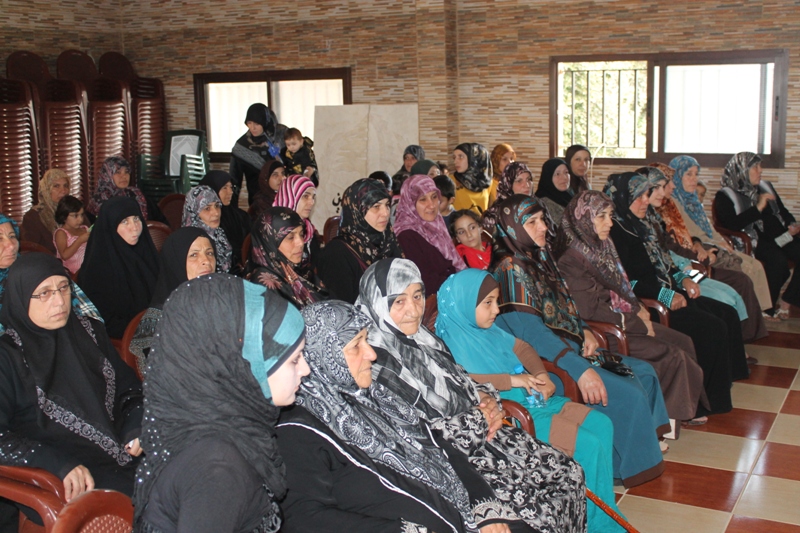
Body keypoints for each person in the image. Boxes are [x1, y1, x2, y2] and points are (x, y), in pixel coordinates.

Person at [279, 299, 551, 533]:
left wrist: (485, 508)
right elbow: (304, 517)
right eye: (356, 345)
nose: (371, 354)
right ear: (322, 354)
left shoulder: (376, 396)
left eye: (366, 340)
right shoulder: (298, 431)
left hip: (463, 514)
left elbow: (441, 446)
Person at [491, 194, 668, 487]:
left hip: (569, 348)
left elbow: (565, 305)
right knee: (628, 392)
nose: (543, 227)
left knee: (643, 372)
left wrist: (583, 328)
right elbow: (532, 334)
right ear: (512, 228)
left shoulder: (537, 256)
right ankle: (625, 468)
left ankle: (639, 447)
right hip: (547, 365)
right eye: (532, 222)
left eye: (542, 220)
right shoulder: (510, 270)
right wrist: (579, 368)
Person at [435, 267, 623, 532]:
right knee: (588, 446)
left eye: (496, 301)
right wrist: (513, 380)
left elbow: (523, 348)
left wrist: (541, 374)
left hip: (534, 399)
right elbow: (465, 378)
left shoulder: (490, 330)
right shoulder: (449, 342)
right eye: (488, 303)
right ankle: (596, 525)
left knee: (602, 425)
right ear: (464, 304)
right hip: (513, 413)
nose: (496, 309)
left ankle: (604, 514)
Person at [133, 275, 308, 533]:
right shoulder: (218, 472)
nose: (306, 369)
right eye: (294, 360)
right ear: (239, 366)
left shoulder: (227, 425)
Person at [555, 190, 707, 423]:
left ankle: (684, 408)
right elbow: (588, 311)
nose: (609, 223)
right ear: (584, 218)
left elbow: (623, 286)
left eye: (610, 216)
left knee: (683, 341)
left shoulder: (603, 245)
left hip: (623, 319)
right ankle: (670, 418)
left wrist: (638, 308)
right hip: (604, 331)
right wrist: (636, 322)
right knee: (671, 354)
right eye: (601, 216)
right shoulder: (571, 259)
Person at [0, 253, 143, 501]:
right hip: (66, 475)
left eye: (63, 288)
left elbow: (129, 389)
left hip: (125, 451)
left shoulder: (88, 332)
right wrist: (53, 463)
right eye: (44, 293)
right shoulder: (7, 357)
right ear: (21, 297)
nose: (59, 301)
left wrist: (136, 425)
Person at [605, 172, 746, 417]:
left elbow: (666, 263)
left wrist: (685, 279)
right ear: (624, 198)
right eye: (638, 197)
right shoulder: (616, 231)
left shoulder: (644, 224)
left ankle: (720, 388)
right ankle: (704, 400)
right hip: (649, 304)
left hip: (669, 290)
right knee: (711, 328)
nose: (645, 201)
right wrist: (666, 296)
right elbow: (628, 282)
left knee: (726, 313)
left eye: (646, 195)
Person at [645, 164, 767, 344]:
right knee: (731, 291)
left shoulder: (665, 210)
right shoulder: (648, 219)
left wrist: (697, 250)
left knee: (736, 285)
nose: (670, 187)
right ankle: (740, 341)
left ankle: (743, 340)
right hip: (680, 271)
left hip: (688, 263)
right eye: (661, 185)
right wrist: (688, 268)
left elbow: (685, 240)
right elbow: (662, 260)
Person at [667, 156, 773, 315]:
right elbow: (682, 235)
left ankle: (760, 311)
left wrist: (721, 241)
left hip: (712, 244)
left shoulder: (693, 202)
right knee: (746, 269)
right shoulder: (672, 204)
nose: (694, 179)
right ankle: (751, 313)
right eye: (688, 174)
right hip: (699, 249)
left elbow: (710, 229)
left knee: (756, 265)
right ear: (676, 177)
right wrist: (708, 244)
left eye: (696, 174)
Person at [714, 152, 800, 317]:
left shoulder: (765, 187)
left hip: (783, 237)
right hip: (755, 240)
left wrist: (791, 224)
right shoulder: (725, 195)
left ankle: (787, 300)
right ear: (741, 170)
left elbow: (782, 211)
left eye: (760, 166)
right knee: (778, 262)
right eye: (755, 167)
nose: (760, 170)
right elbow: (731, 225)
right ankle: (766, 309)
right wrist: (758, 207)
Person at [128, 227, 215, 376]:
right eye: (194, 255)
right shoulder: (160, 320)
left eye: (210, 253)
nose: (206, 261)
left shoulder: (218, 301)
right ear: (175, 262)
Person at [78, 197, 159, 339]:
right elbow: (104, 323)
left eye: (136, 219)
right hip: (125, 341)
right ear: (110, 226)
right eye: (124, 221)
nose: (134, 227)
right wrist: (146, 334)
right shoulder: (98, 268)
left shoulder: (147, 255)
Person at [317, 178, 403, 303]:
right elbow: (341, 308)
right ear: (357, 210)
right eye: (376, 207)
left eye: (387, 205)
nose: (385, 213)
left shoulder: (388, 241)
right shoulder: (337, 253)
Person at [395, 175, 466, 294]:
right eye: (423, 199)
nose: (432, 205)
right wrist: (461, 285)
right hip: (439, 299)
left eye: (434, 197)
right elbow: (425, 282)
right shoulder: (406, 236)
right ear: (410, 203)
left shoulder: (437, 225)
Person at [247, 207, 326, 308]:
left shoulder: (299, 270)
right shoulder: (263, 286)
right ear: (270, 243)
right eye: (290, 237)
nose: (300, 243)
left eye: (301, 234)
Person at [229, 103, 283, 206]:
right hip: (258, 203)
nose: (253, 127)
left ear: (264, 122)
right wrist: (232, 210)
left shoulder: (279, 137)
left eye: (257, 124)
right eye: (249, 123)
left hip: (283, 198)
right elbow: (234, 181)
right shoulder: (241, 147)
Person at [198, 170, 251, 274]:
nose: (230, 192)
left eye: (231, 187)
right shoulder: (206, 220)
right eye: (224, 188)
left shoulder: (241, 216)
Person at [86, 156, 165, 223]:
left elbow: (161, 223)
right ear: (106, 175)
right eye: (118, 172)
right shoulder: (98, 201)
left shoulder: (137, 194)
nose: (124, 176)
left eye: (126, 172)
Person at [273, 173, 320, 270]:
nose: (312, 202)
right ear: (289, 196)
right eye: (305, 196)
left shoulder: (308, 229)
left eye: (313, 197)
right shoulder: (271, 229)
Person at [182, 185, 232, 274]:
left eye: (217, 206)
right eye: (207, 208)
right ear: (194, 212)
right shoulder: (187, 242)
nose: (216, 213)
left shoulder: (219, 234)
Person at [21, 168, 71, 254]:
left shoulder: (73, 210)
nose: (63, 191)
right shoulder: (33, 217)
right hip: (47, 260)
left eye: (66, 186)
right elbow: (30, 250)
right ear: (46, 189)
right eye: (56, 186)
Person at [483, 162, 535, 231]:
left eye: (528, 179)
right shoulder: (495, 215)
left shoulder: (537, 207)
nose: (527, 185)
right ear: (508, 185)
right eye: (519, 181)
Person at [451, 143, 492, 213]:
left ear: (474, 159)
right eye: (454, 157)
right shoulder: (450, 181)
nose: (455, 162)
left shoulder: (487, 182)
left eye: (461, 157)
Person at [53, 195, 89, 274]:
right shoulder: (61, 233)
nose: (80, 219)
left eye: (81, 215)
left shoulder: (85, 229)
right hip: (75, 273)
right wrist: (80, 240)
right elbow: (64, 255)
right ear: (64, 216)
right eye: (75, 216)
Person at [534, 158, 573, 224]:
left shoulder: (569, 195)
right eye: (557, 174)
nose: (564, 177)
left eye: (566, 172)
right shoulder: (542, 203)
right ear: (548, 177)